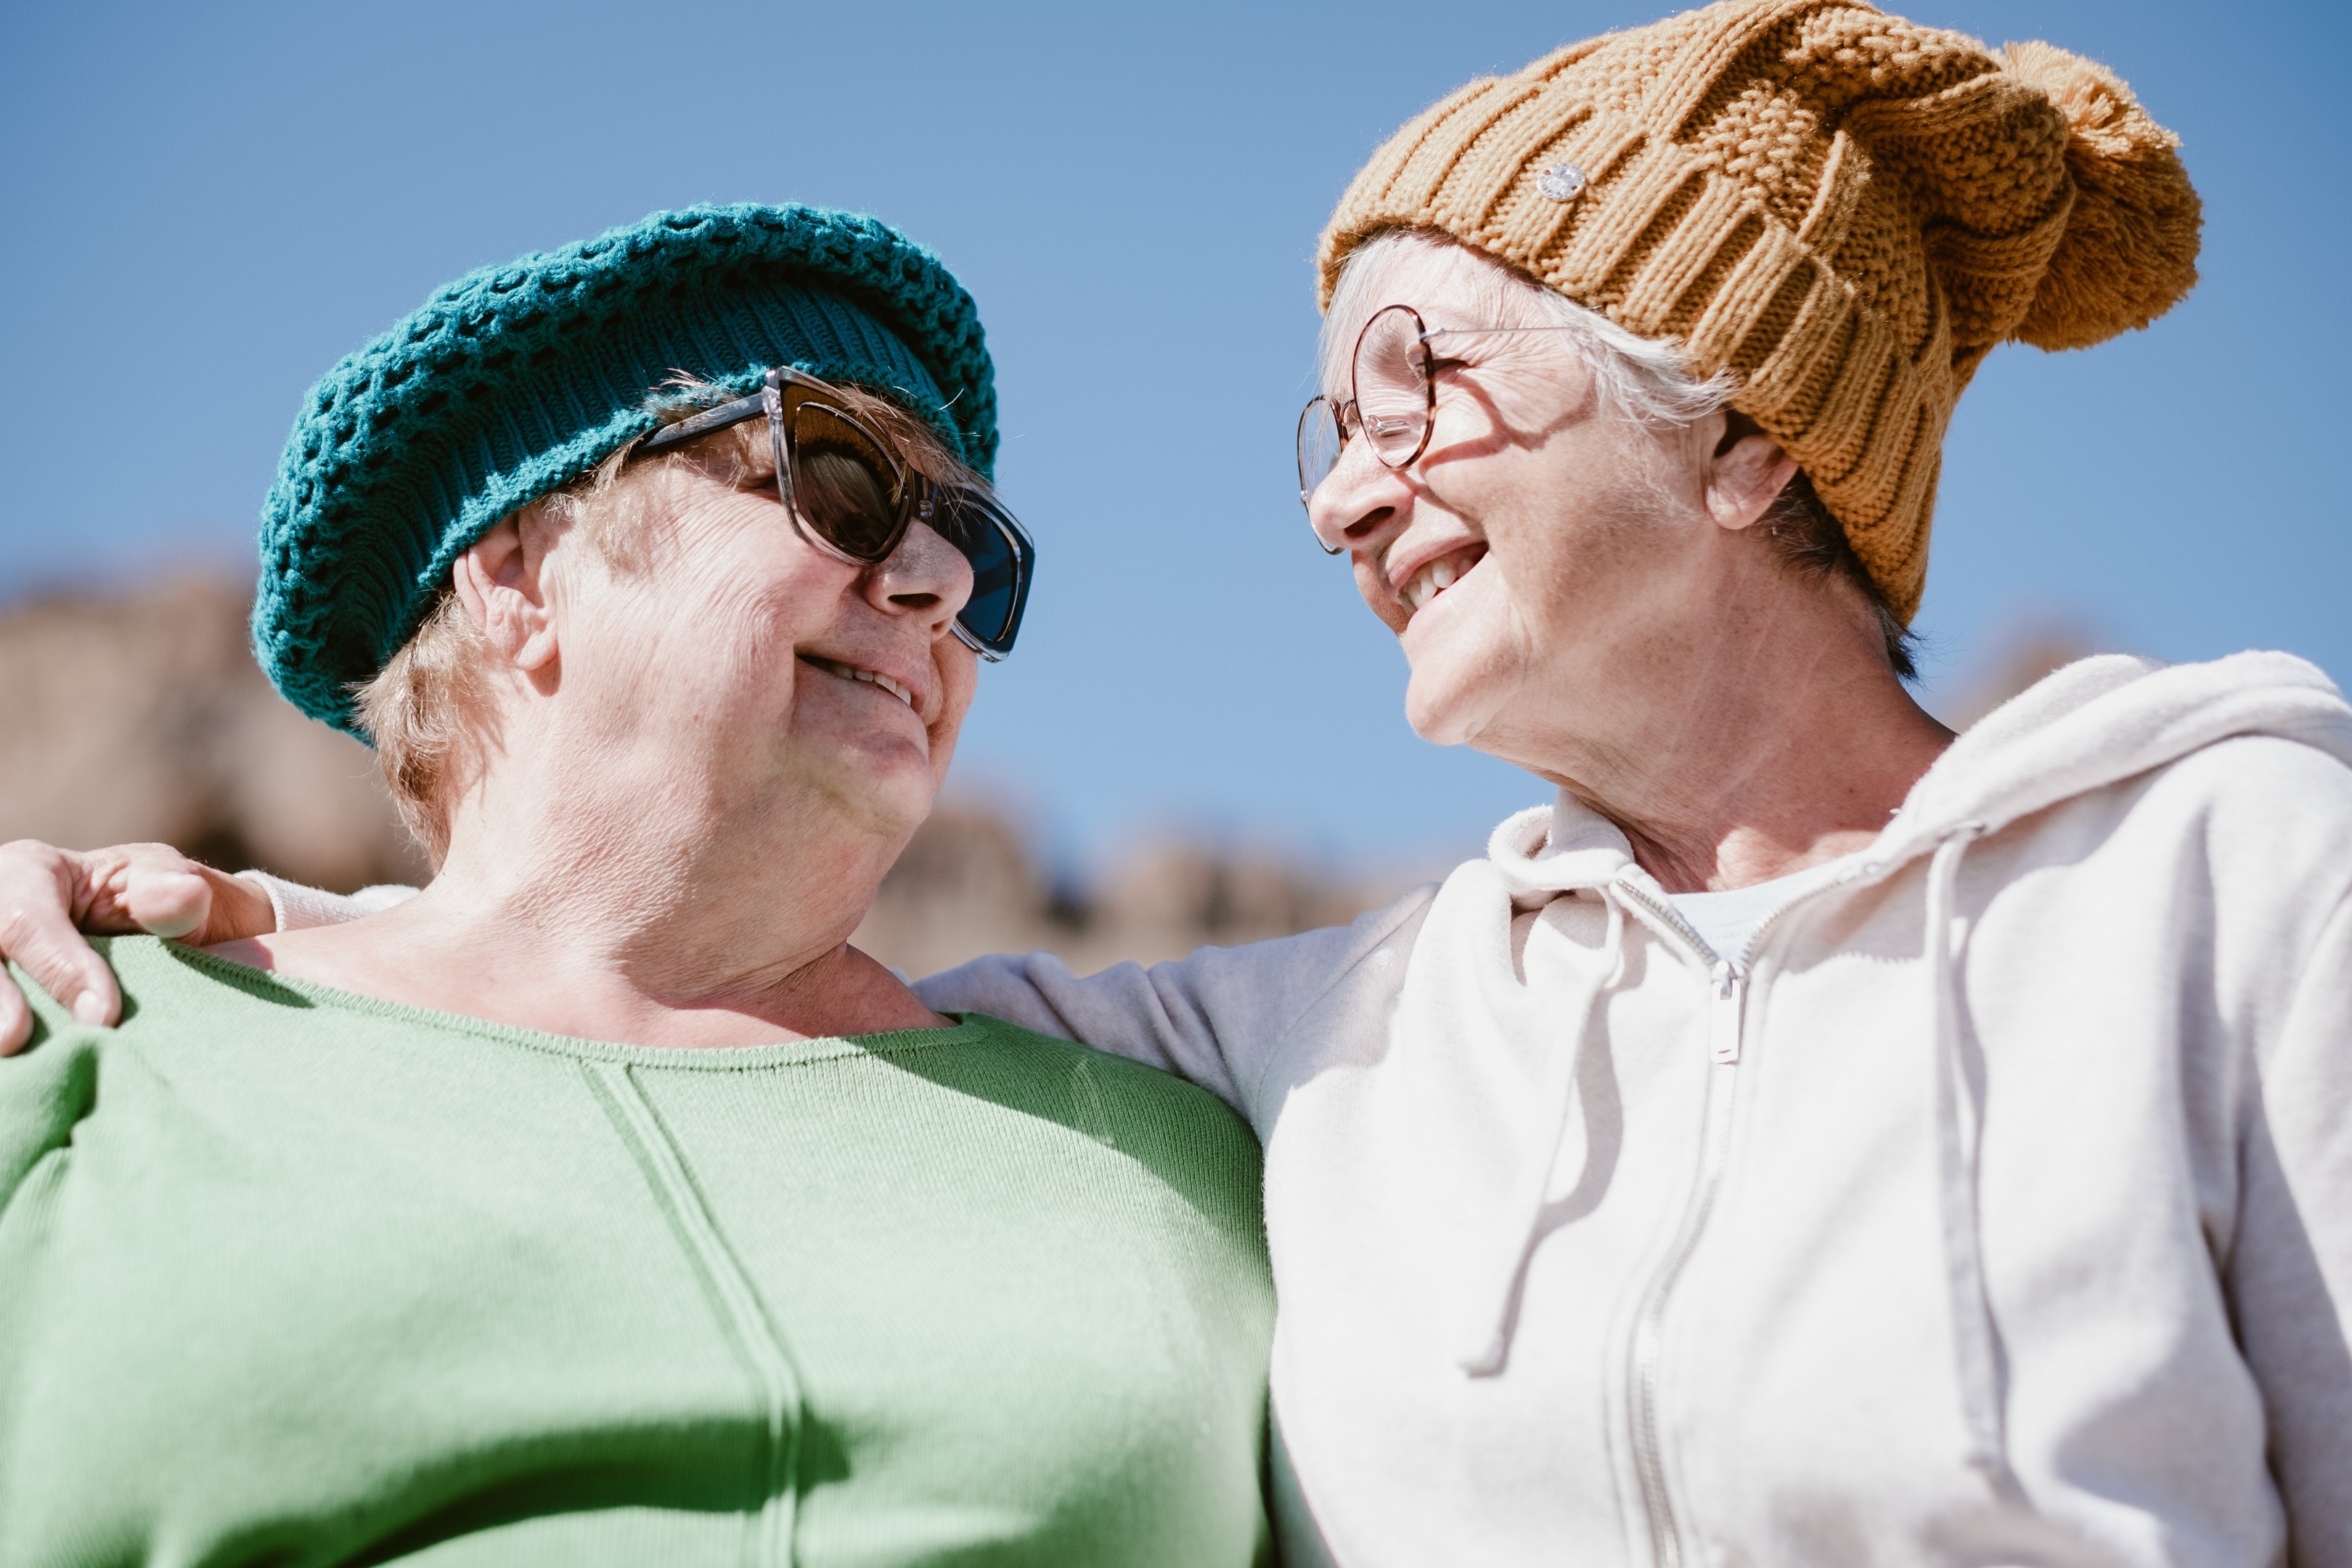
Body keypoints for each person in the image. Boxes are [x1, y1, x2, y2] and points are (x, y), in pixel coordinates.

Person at [8, 4, 2351, 1565]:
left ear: (1740, 430)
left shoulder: (2246, 874)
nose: (1346, 498)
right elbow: (634, 1008)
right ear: (517, 571)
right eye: (1335, 424)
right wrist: (179, 916)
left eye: (1423, 379)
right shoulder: (1326, 1044)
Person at [0, 203, 1279, 1567]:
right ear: (518, 578)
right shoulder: (77, 1044)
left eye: (976, 553)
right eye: (838, 480)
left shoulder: (1203, 1154)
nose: (934, 582)